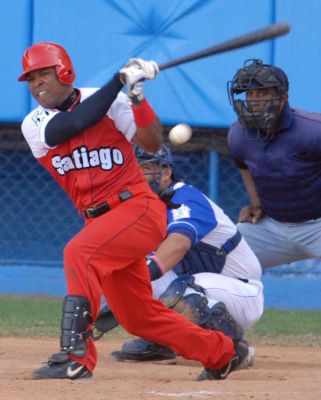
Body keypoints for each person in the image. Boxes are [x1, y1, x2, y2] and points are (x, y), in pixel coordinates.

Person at [18, 41, 251, 382]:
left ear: (64, 71)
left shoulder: (111, 101)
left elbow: (153, 142)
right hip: (100, 223)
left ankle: (75, 356)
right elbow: (68, 126)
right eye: (31, 78)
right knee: (138, 316)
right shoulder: (36, 122)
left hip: (137, 209)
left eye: (44, 74)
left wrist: (137, 98)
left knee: (78, 254)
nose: (37, 83)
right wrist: (118, 81)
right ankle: (222, 353)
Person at [108, 144, 263, 364]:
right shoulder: (141, 208)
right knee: (126, 272)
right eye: (130, 170)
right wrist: (115, 294)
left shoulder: (185, 197)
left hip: (239, 291)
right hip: (193, 282)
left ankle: (235, 348)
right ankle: (162, 342)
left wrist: (143, 277)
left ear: (166, 172)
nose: (135, 175)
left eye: (142, 168)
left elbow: (179, 242)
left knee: (180, 289)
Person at [227, 58, 321, 268]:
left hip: (318, 224)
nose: (254, 100)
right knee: (222, 259)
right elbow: (244, 166)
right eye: (250, 94)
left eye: (262, 93)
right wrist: (257, 204)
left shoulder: (312, 130)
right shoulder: (238, 134)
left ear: (283, 98)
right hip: (272, 228)